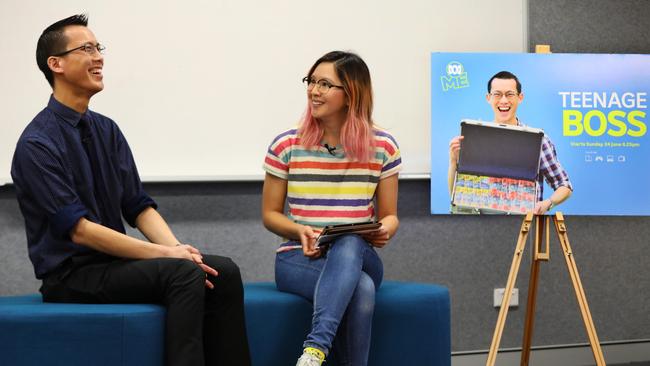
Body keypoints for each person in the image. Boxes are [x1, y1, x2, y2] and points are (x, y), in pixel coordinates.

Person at [11, 14, 251, 366]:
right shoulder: (37, 143)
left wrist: (179, 249)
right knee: (182, 273)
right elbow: (79, 230)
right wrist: (166, 256)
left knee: (221, 271)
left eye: (99, 48)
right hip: (71, 275)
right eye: (87, 48)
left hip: (114, 265)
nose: (99, 57)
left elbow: (137, 206)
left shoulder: (107, 130)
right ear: (56, 64)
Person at [261, 51, 401, 366]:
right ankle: (316, 353)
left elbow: (390, 215)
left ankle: (314, 350)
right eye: (311, 81)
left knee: (349, 240)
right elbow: (270, 214)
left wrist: (385, 229)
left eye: (325, 84)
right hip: (298, 257)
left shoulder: (384, 147)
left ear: (351, 94)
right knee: (361, 289)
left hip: (360, 255)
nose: (314, 90)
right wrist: (299, 230)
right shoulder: (287, 144)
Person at [447, 71, 572, 214]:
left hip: (524, 226)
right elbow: (456, 196)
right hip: (478, 224)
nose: (504, 100)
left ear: (520, 97)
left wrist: (547, 204)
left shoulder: (538, 140)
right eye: (497, 94)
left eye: (510, 94)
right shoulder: (473, 138)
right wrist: (452, 161)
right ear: (488, 98)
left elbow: (564, 185)